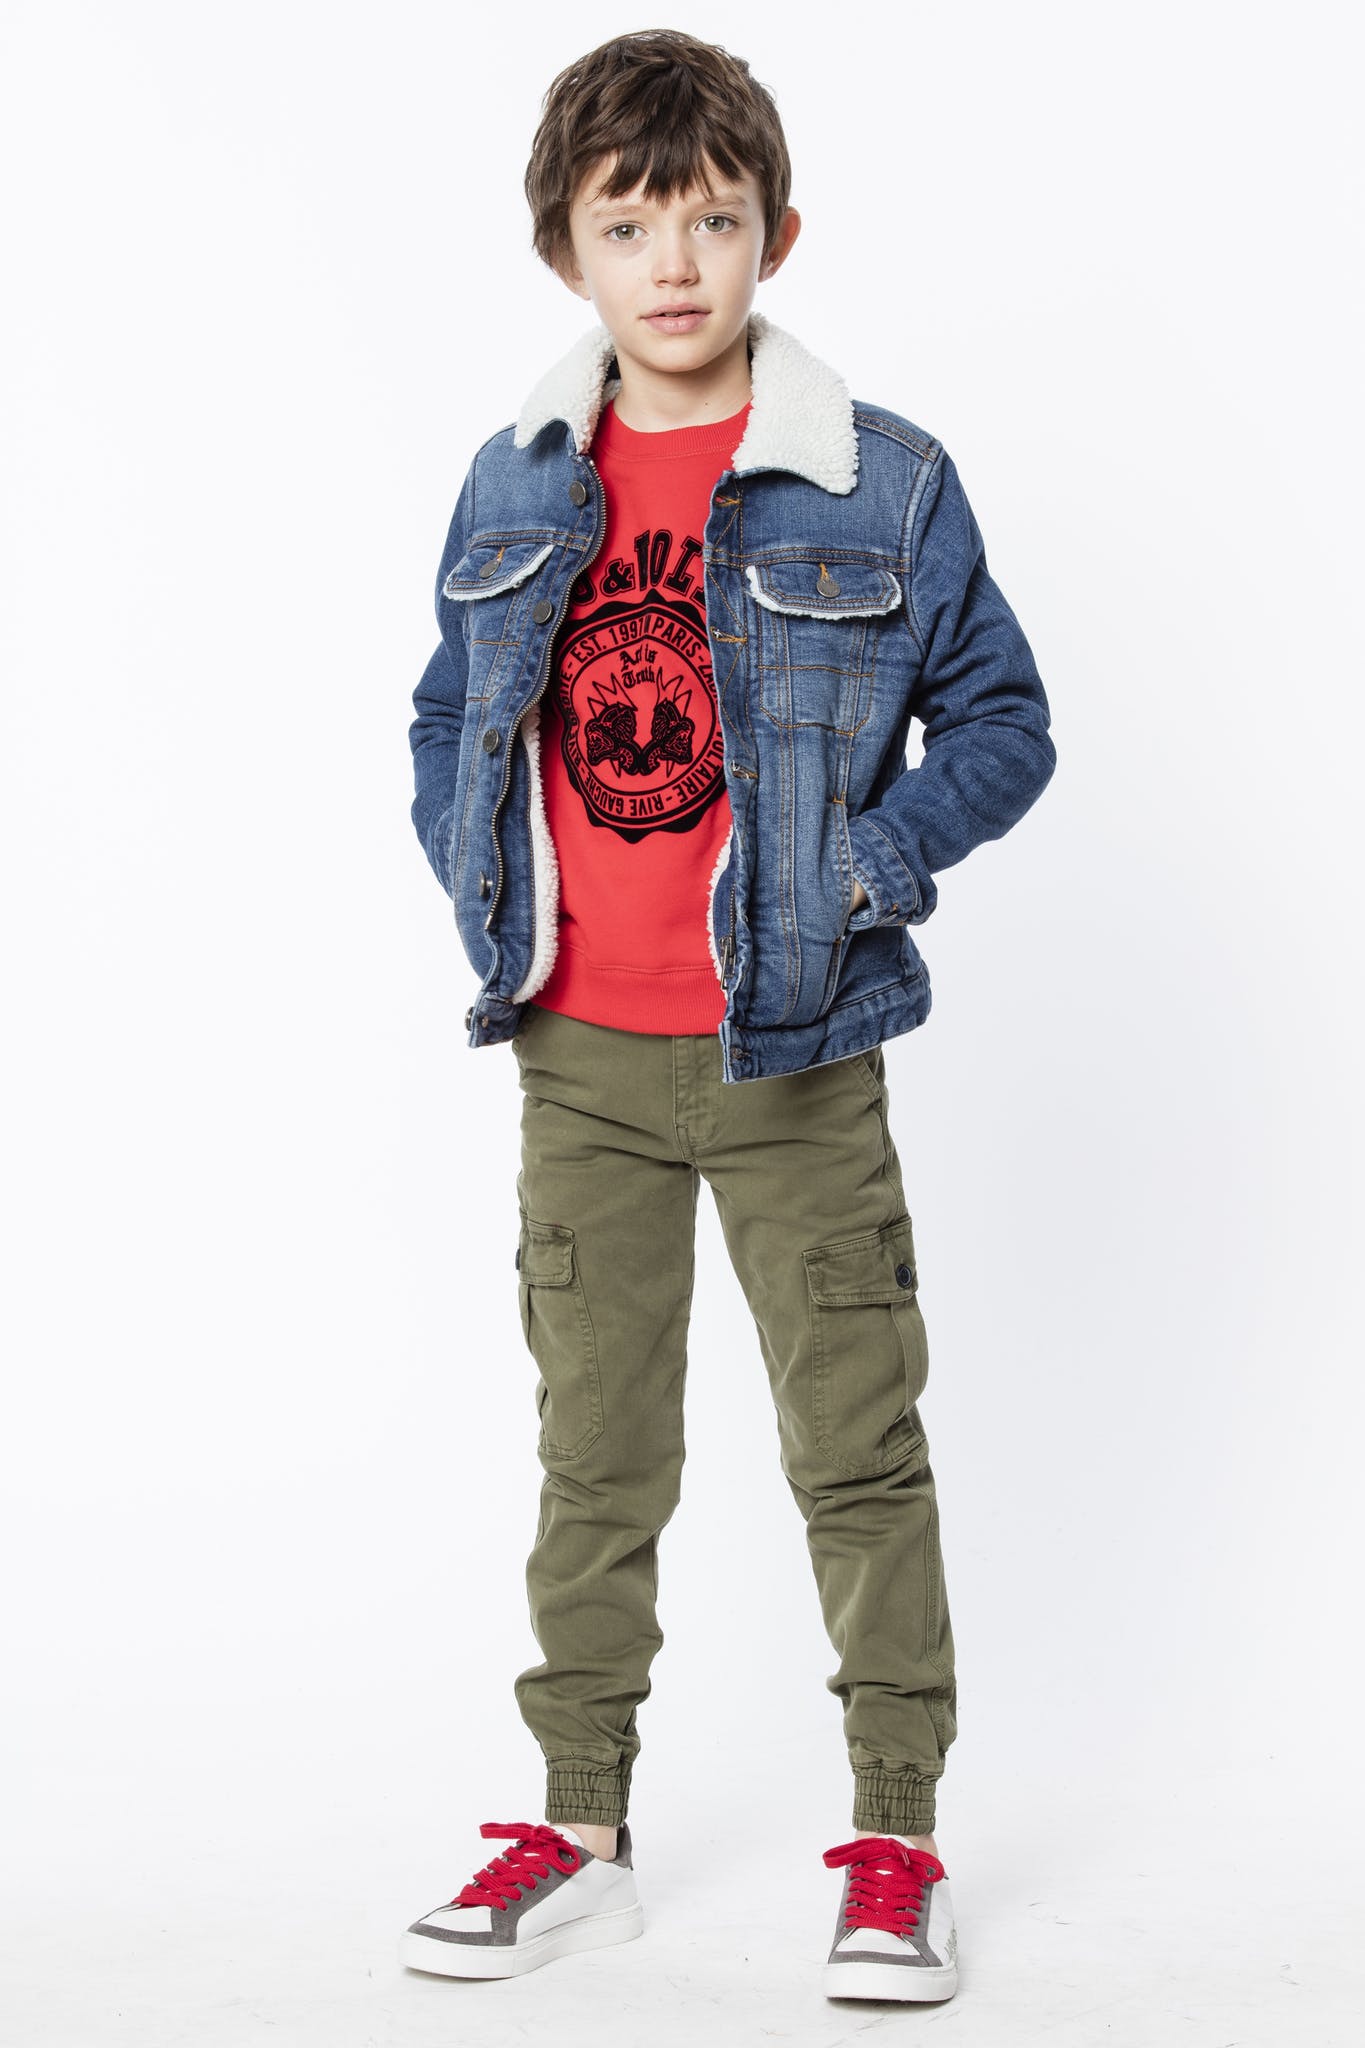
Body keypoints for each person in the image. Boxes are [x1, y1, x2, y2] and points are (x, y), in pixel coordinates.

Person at [399, 27, 1056, 2003]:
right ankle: (576, 1827)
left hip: (793, 1054)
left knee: (853, 1451)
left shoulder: (882, 479)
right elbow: (445, 711)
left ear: (776, 233)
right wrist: (481, 881)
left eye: (709, 218)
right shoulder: (516, 475)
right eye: (627, 226)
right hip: (576, 1059)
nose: (672, 262)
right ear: (566, 252)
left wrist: (865, 866)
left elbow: (1002, 723)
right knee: (593, 1460)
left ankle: (894, 1838)